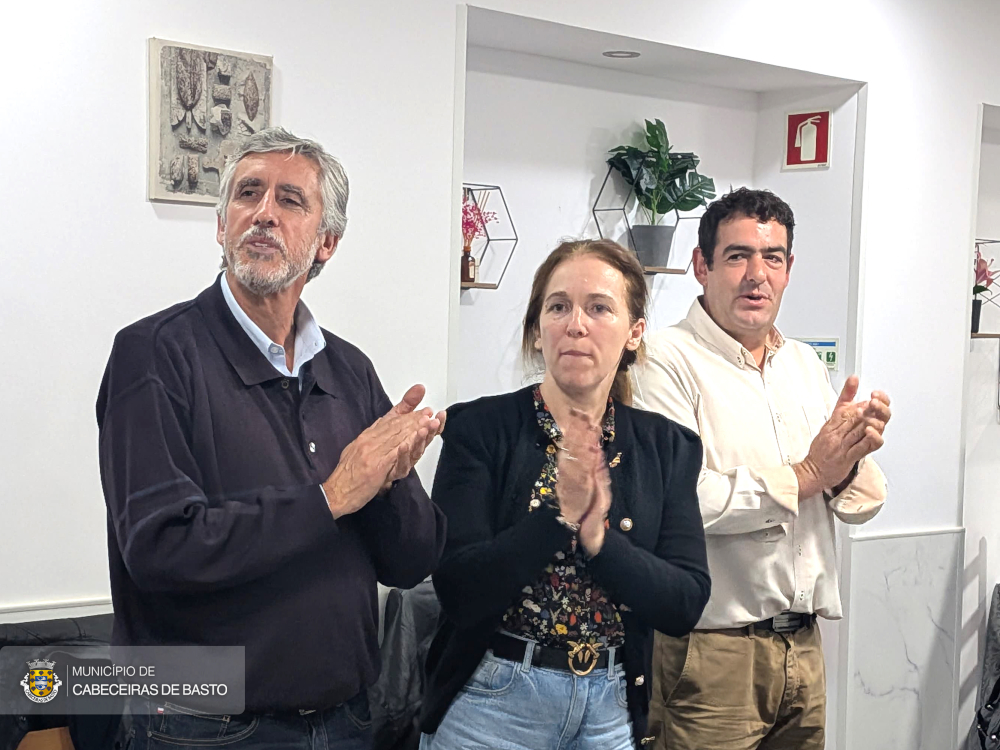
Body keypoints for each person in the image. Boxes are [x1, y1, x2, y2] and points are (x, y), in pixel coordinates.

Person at [96, 127, 446, 749]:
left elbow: (409, 562)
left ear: (327, 243)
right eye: (247, 194)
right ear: (222, 226)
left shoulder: (349, 370)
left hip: (349, 718)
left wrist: (391, 487)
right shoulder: (153, 354)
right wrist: (332, 496)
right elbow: (161, 547)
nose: (263, 212)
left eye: (290, 200)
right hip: (203, 727)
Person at [419, 239, 711, 750]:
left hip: (610, 710)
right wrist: (557, 517)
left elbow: (684, 602)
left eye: (599, 308)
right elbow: (459, 592)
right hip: (494, 701)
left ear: (634, 333)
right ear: (538, 329)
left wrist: (598, 539)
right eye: (558, 307)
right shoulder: (479, 429)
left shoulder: (667, 446)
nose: (576, 324)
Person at [632, 187, 890, 750]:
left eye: (773, 258)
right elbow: (678, 501)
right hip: (711, 653)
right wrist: (806, 476)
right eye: (738, 256)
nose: (757, 275)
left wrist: (848, 462)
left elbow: (858, 504)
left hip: (805, 647)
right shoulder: (662, 360)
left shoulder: (800, 362)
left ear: (789, 269)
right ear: (701, 266)